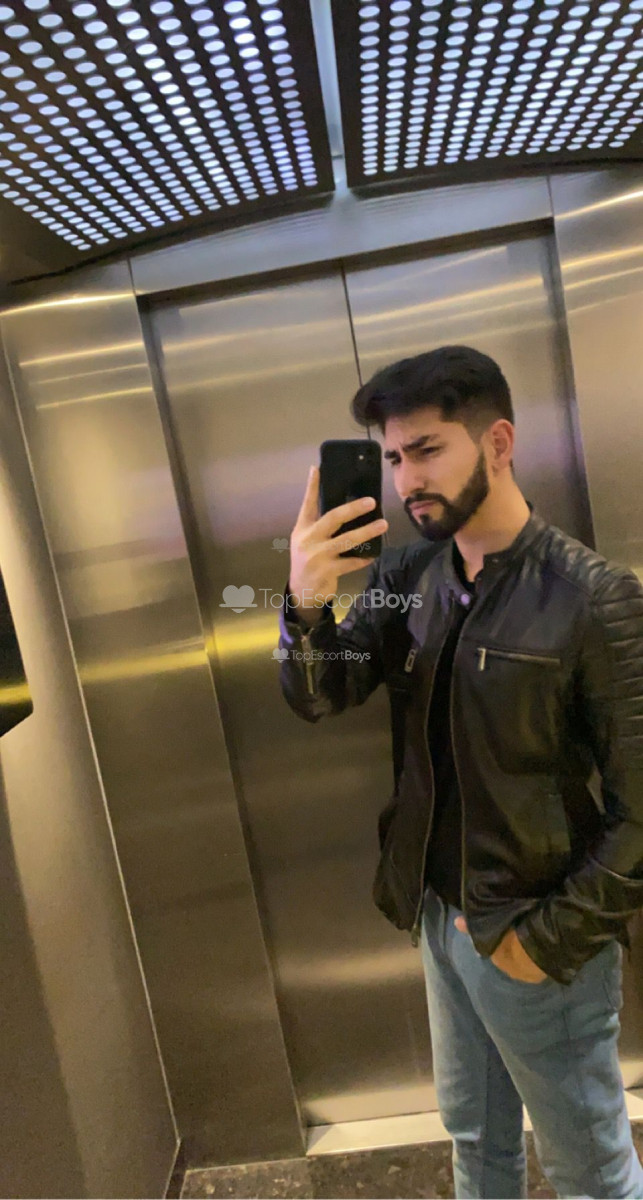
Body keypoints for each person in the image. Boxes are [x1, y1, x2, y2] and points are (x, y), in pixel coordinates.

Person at [277, 345, 643, 1199]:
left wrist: (543, 943)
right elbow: (323, 694)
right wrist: (303, 603)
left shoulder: (592, 598)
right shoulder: (408, 576)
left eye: (427, 449)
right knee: (475, 1141)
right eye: (393, 459)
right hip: (439, 917)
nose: (407, 481)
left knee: (589, 1170)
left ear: (498, 443)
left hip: (535, 931)